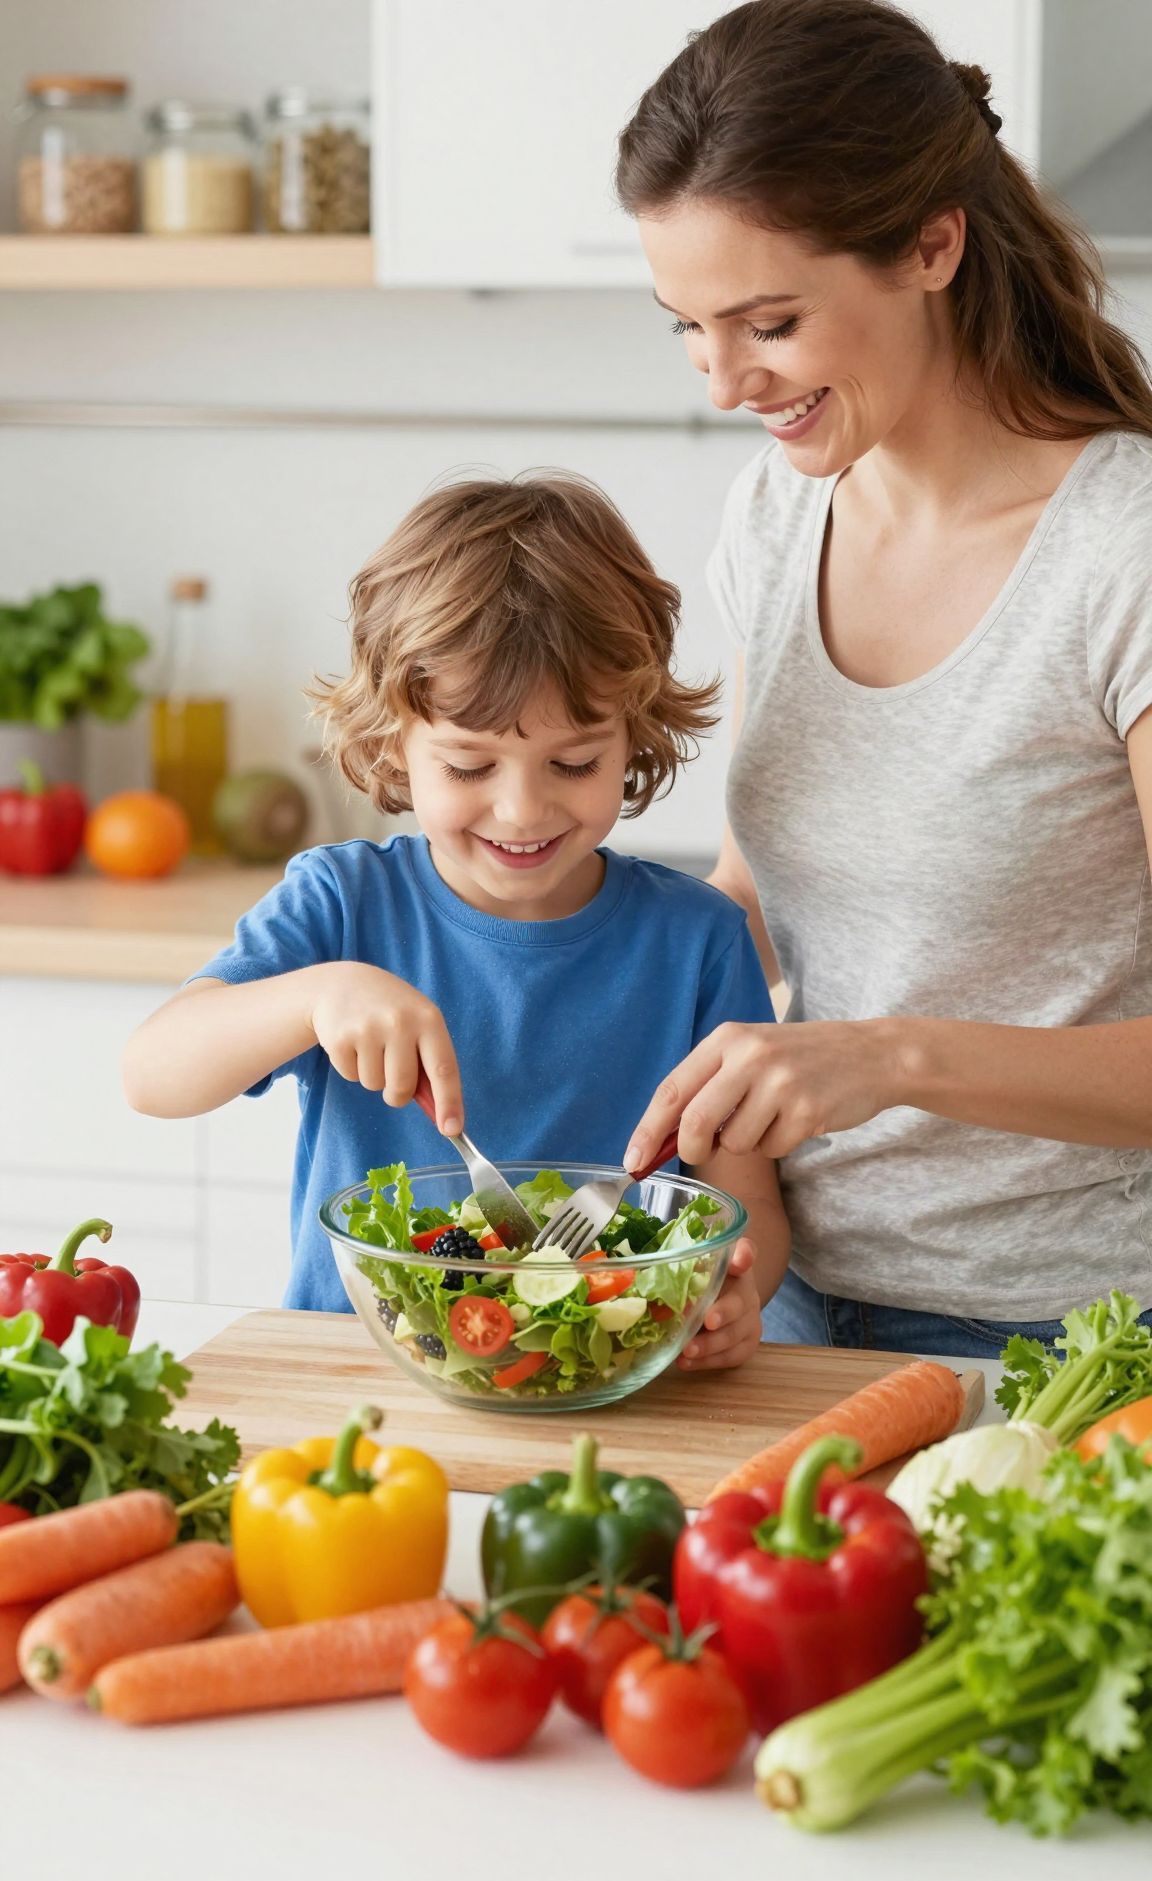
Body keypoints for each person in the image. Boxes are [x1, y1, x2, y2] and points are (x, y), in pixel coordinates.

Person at [613, 0, 1152, 1356]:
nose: (724, 380)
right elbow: (752, 897)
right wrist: (513, 945)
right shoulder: (779, 513)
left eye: (769, 322)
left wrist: (889, 1056)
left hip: (1071, 1334)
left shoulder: (1122, 551)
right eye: (686, 327)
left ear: (932, 245)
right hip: (791, 1293)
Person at [123, 472, 788, 1359]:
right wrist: (315, 996)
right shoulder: (342, 904)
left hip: (600, 1375)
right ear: (394, 746)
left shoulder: (699, 943)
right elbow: (153, 1074)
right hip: (355, 1372)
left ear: (634, 736)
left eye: (575, 763)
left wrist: (731, 1293)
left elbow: (747, 1206)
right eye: (470, 768)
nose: (522, 810)